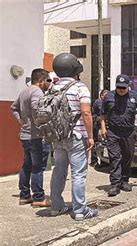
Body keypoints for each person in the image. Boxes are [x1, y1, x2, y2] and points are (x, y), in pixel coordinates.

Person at [50, 53, 98, 220]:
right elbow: (86, 112)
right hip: (76, 136)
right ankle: (80, 210)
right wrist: (91, 136)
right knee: (78, 174)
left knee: (59, 171)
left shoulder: (52, 88)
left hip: (57, 137)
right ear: (74, 69)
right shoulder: (79, 87)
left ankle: (56, 207)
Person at [100, 74, 137, 196]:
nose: (121, 90)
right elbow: (102, 115)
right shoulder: (108, 97)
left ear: (128, 86)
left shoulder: (134, 97)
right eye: (119, 87)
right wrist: (103, 128)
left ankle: (125, 181)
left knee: (127, 157)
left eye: (123, 87)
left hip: (129, 132)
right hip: (113, 132)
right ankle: (115, 185)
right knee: (115, 158)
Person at [10, 68, 52, 207]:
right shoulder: (36, 91)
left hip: (25, 135)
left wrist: (21, 121)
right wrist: (39, 121)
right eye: (47, 80)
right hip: (36, 136)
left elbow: (13, 108)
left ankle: (24, 195)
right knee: (37, 167)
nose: (49, 83)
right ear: (40, 81)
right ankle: (39, 197)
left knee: (27, 165)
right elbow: (36, 107)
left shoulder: (24, 91)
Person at [90, 89, 108, 167]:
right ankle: (94, 160)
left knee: (103, 143)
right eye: (105, 96)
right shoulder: (98, 103)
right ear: (101, 95)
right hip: (97, 125)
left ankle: (104, 161)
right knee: (96, 143)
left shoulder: (105, 103)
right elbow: (100, 115)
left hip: (102, 125)